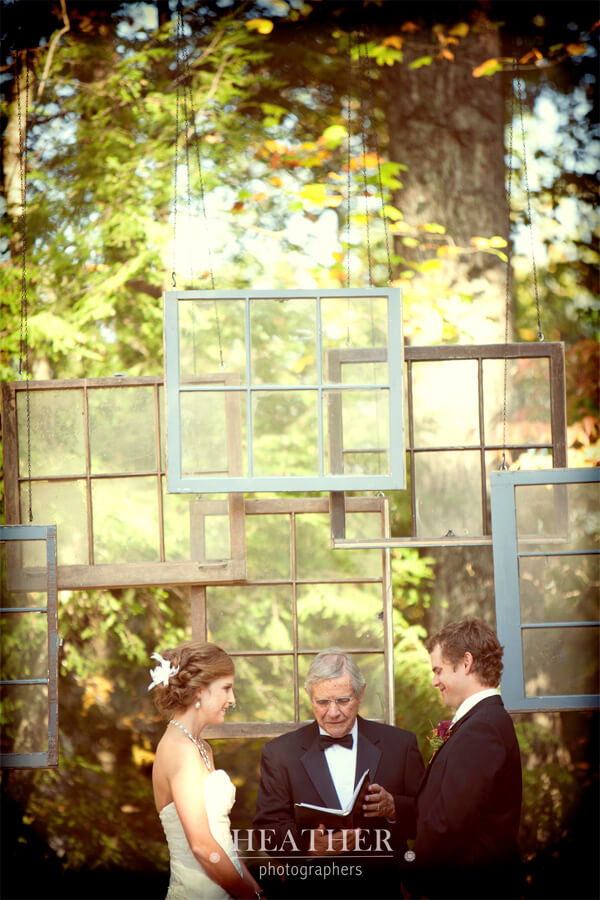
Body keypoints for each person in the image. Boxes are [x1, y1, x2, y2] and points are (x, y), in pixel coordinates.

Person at [253, 649, 425, 899]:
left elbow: (428, 820)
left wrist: (393, 808)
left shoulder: (400, 744)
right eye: (322, 702)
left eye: (343, 700)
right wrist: (309, 846)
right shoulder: (279, 752)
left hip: (382, 892)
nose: (333, 712)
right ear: (309, 696)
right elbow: (266, 830)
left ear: (361, 693)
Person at [411, 618, 522, 899]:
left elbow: (450, 822)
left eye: (438, 670)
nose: (434, 681)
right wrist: (393, 807)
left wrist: (411, 877)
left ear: (466, 662)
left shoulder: (482, 728)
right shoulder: (481, 721)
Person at [150, 641, 265, 900]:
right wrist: (248, 896)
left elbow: (220, 836)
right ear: (200, 691)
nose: (232, 700)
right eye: (226, 688)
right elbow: (202, 846)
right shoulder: (180, 750)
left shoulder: (200, 747)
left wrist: (255, 889)